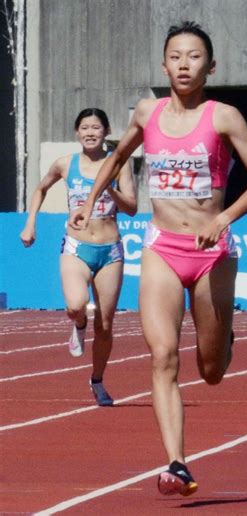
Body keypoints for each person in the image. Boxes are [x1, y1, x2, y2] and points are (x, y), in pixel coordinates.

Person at [69, 22, 247, 495]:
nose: (185, 64)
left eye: (195, 57)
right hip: (162, 247)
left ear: (211, 66)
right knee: (162, 356)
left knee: (211, 372)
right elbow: (117, 157)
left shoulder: (224, 118)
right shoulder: (147, 112)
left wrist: (222, 218)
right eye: (176, 57)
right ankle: (177, 463)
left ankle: (223, 340)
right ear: (164, 65)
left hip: (212, 254)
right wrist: (88, 201)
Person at [20, 108, 137, 406]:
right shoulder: (65, 164)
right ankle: (78, 324)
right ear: (77, 132)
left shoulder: (119, 165)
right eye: (84, 127)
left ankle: (97, 380)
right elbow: (40, 188)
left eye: (96, 128)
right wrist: (30, 223)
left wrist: (109, 189)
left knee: (107, 325)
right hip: (76, 246)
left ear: (106, 131)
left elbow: (132, 207)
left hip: (110, 250)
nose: (90, 133)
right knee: (75, 305)